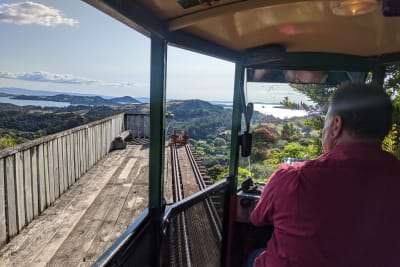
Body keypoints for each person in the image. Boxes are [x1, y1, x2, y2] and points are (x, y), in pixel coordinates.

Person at [249, 82, 400, 267]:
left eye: (325, 121)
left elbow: (257, 219)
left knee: (253, 256)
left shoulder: (295, 178)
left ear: (336, 125)